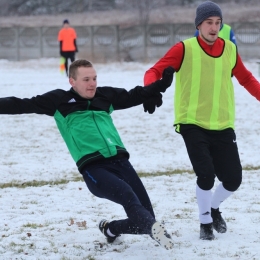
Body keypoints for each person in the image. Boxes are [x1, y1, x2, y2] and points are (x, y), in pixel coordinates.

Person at [0, 59, 175, 250]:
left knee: (145, 217)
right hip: (94, 168)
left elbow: (135, 94)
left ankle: (111, 229)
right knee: (128, 197)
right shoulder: (59, 101)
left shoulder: (104, 96)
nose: (92, 83)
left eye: (94, 78)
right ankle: (155, 230)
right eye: (86, 79)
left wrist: (161, 85)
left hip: (121, 162)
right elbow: (21, 104)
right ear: (72, 82)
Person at [143, 1, 260, 241]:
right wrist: (150, 91)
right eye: (209, 22)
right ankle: (205, 221)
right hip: (192, 122)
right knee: (205, 174)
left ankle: (214, 208)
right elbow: (153, 71)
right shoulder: (183, 49)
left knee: (233, 179)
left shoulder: (229, 49)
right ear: (199, 25)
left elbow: (247, 79)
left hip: (223, 123)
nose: (214, 27)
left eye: (218, 22)